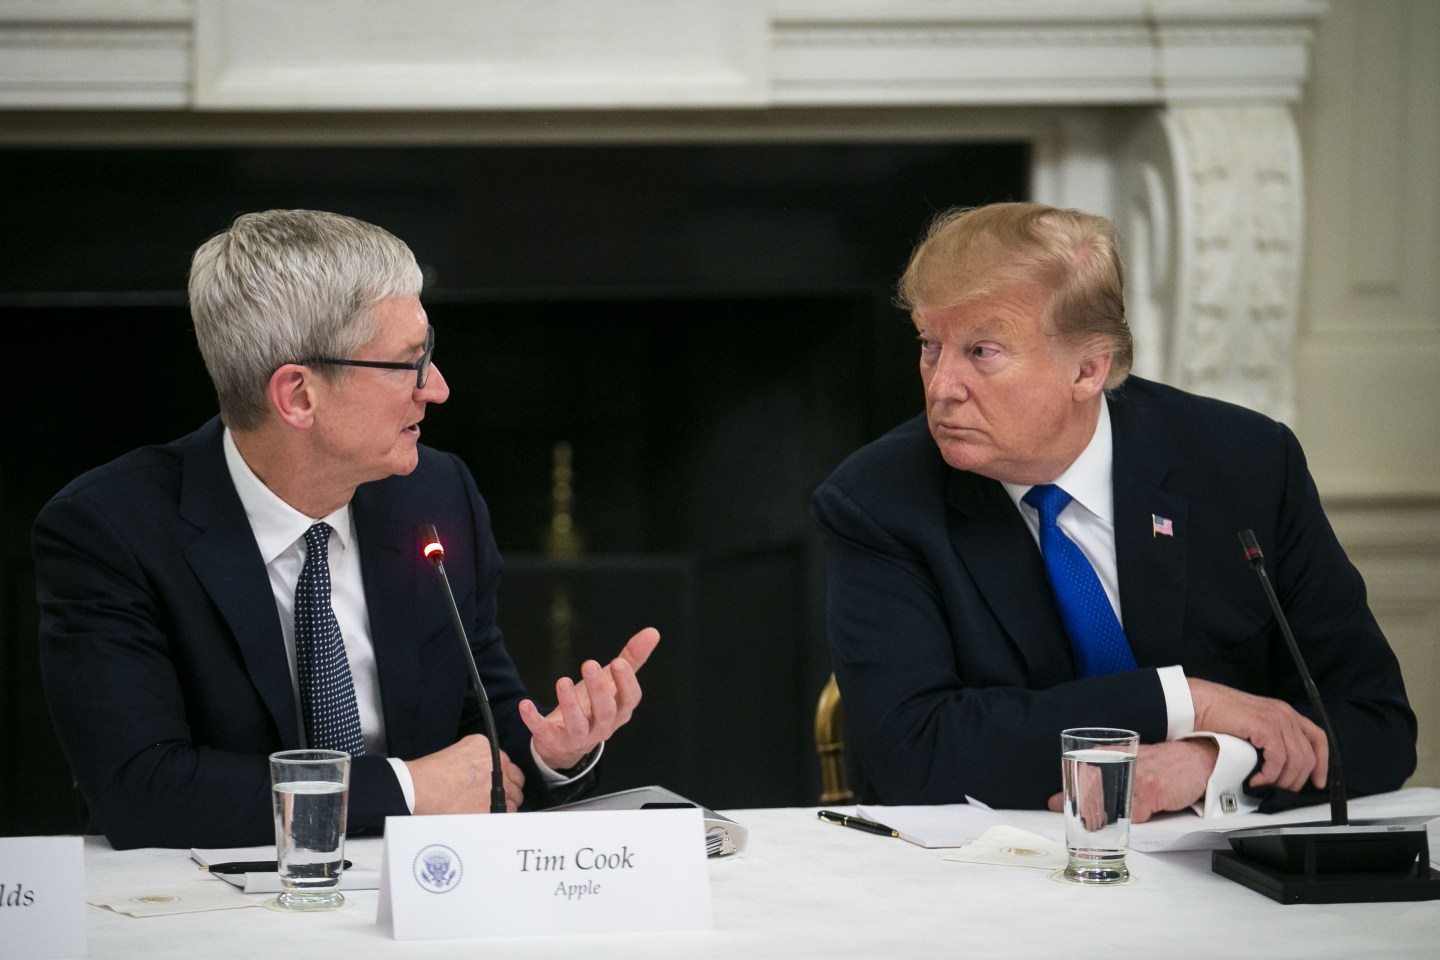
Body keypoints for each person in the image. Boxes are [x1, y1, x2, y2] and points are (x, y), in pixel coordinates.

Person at [34, 209, 659, 850]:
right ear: (299, 396)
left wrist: (553, 752)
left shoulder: (436, 494)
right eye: (409, 364)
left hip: (421, 884)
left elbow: (483, 735)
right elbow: (140, 791)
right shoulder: (109, 530)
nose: (437, 388)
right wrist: (407, 788)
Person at [811, 201, 1416, 821]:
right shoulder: (879, 500)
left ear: (1088, 370)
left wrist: (1212, 762)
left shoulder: (1245, 465)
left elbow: (1375, 723)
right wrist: (1185, 702)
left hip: (1213, 867)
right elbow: (914, 753)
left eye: (982, 351)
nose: (941, 386)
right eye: (930, 345)